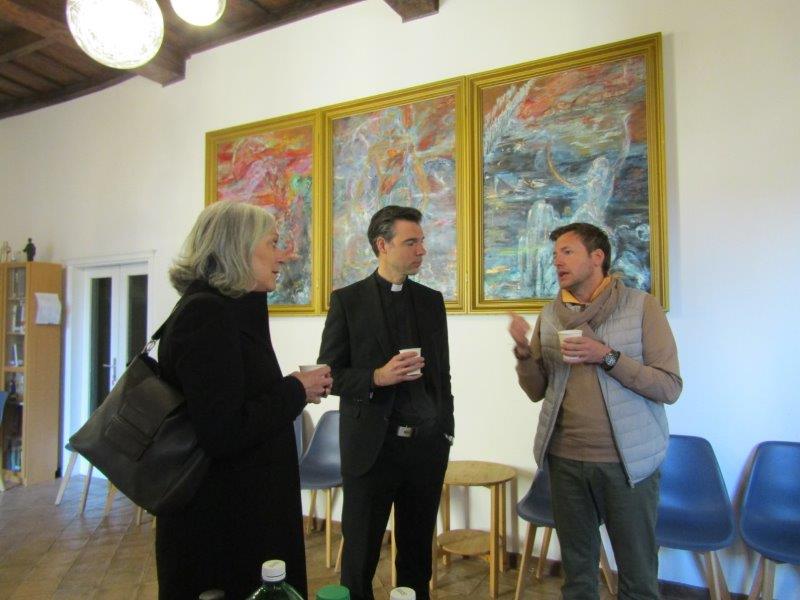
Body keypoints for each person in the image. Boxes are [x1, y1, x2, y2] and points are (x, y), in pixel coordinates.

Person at [156, 201, 332, 600]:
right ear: (238, 248)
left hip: (241, 511)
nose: (283, 255)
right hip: (222, 526)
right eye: (272, 243)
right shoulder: (206, 315)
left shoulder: (227, 309)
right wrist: (296, 389)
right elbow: (222, 431)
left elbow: (238, 399)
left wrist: (294, 389)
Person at [508, 222, 682, 600]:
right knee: (577, 577)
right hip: (565, 461)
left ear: (597, 257)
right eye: (555, 254)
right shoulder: (551, 315)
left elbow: (669, 387)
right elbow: (536, 391)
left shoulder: (641, 307)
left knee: (637, 578)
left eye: (567, 252)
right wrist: (522, 352)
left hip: (626, 465)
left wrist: (606, 356)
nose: (557, 261)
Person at [318, 205, 454, 600]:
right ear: (382, 245)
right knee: (359, 556)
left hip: (425, 448)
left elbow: (442, 374)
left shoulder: (431, 301)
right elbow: (330, 374)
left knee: (417, 555)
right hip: (371, 449)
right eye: (411, 242)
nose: (421, 250)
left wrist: (446, 430)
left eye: (422, 241)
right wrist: (377, 376)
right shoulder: (348, 301)